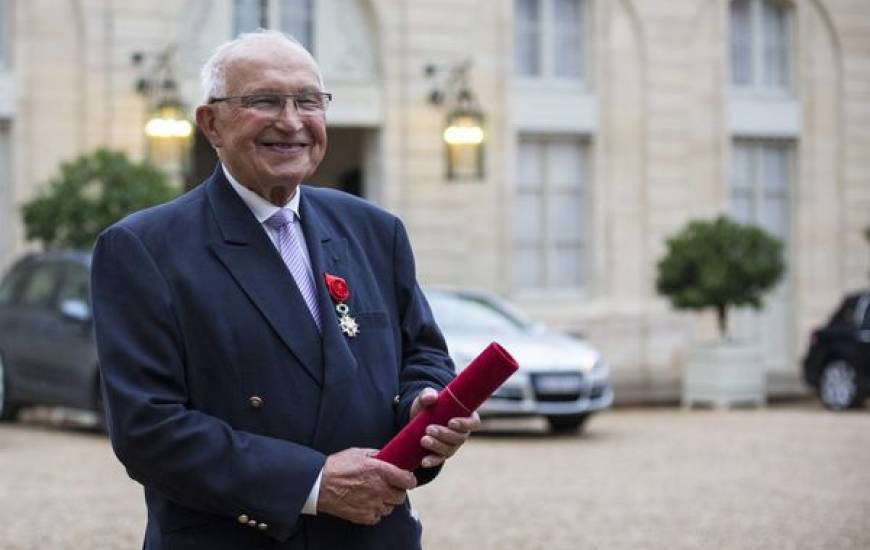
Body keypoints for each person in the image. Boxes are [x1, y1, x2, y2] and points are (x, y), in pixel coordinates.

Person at [91, 30, 480, 550]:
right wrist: (314, 484)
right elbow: (148, 430)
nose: (292, 121)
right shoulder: (144, 249)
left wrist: (421, 407)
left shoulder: (374, 230)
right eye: (265, 101)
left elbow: (423, 355)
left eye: (309, 101)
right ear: (211, 123)